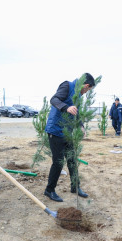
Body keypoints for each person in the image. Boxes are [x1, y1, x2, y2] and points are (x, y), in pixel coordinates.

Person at [44, 73, 95, 202]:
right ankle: (49, 190)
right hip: (55, 130)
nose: (87, 92)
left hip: (67, 133)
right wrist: (66, 107)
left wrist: (81, 126)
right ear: (86, 85)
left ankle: (75, 187)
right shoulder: (67, 85)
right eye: (88, 89)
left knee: (72, 160)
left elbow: (76, 112)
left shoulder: (78, 95)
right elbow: (54, 100)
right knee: (58, 162)